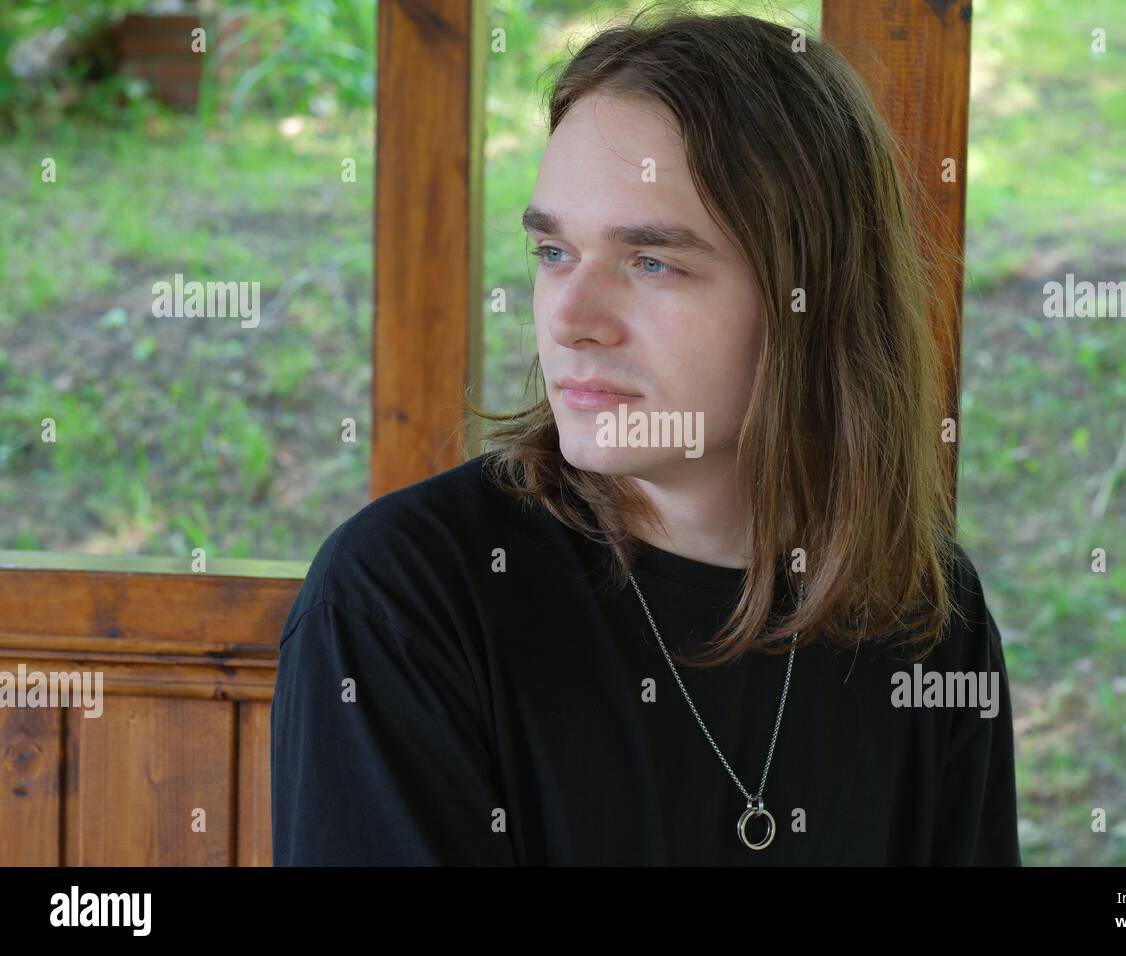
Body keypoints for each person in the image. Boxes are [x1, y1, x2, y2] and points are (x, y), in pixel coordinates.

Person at [271, 5, 1020, 865]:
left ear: (812, 299)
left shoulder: (924, 612)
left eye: (652, 262)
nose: (571, 320)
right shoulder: (406, 599)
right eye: (553, 253)